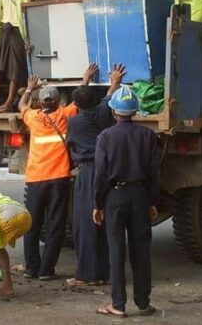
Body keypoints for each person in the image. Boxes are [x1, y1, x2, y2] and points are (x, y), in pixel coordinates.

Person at [18, 63, 98, 280]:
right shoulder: (65, 115)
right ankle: (46, 270)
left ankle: (31, 268)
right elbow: (79, 100)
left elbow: (21, 105)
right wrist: (85, 77)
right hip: (58, 179)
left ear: (41, 102)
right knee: (55, 224)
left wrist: (28, 88)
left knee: (32, 225)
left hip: (35, 179)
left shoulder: (33, 118)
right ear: (56, 102)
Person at [93, 86, 160, 318]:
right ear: (135, 112)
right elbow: (154, 172)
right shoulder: (148, 136)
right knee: (141, 249)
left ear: (114, 112)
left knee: (116, 249)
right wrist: (152, 201)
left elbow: (100, 174)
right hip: (141, 196)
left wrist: (98, 204)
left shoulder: (105, 137)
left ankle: (118, 305)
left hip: (114, 197)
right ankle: (143, 303)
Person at [64, 63, 126, 287]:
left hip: (88, 173)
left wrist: (84, 79)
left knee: (85, 224)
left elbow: (69, 140)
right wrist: (115, 81)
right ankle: (105, 273)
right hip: (107, 172)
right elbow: (108, 97)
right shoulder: (103, 114)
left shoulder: (73, 121)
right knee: (105, 222)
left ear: (77, 105)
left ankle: (87, 275)